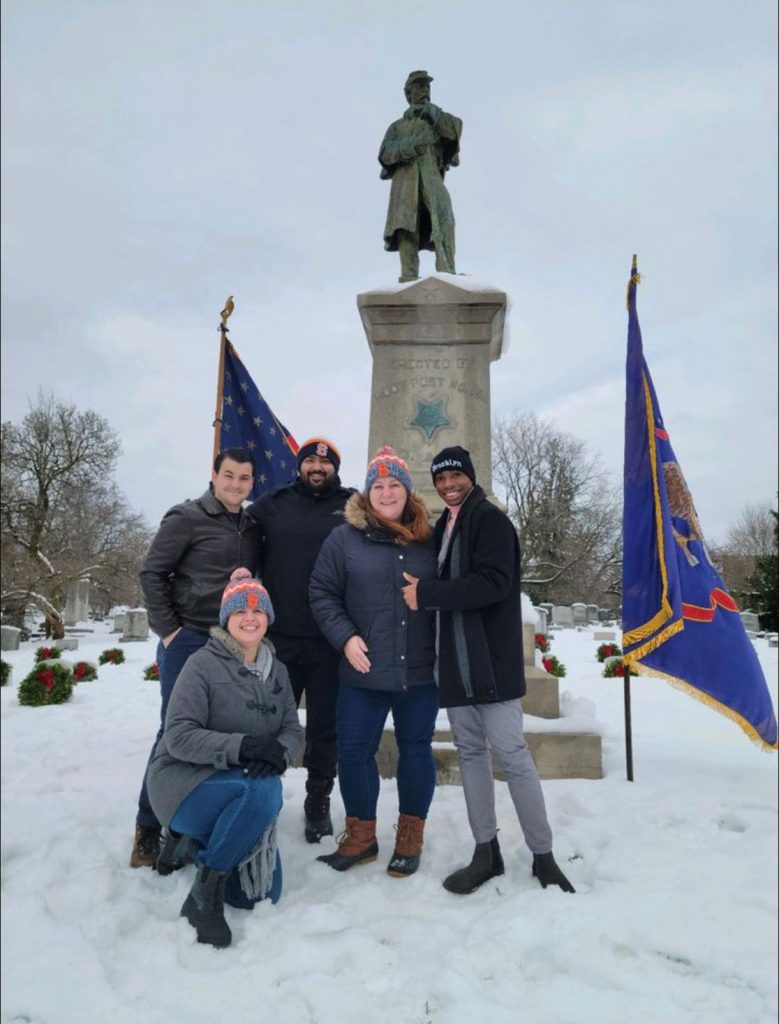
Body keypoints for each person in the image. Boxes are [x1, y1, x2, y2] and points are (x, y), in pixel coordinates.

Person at [401, 446, 575, 895]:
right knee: (471, 754)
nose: (448, 484)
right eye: (441, 479)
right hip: (456, 666)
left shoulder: (490, 520)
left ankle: (543, 855)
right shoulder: (446, 525)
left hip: (491, 664)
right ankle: (486, 852)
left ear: (470, 477)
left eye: (455, 476)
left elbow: (494, 584)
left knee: (513, 757)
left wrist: (430, 594)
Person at [147, 568, 304, 948]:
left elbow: (293, 733)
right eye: (239, 612)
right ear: (226, 620)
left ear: (267, 618)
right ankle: (204, 893)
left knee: (256, 896)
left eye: (258, 611)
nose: (250, 618)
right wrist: (246, 747)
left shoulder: (278, 672)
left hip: (243, 786)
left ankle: (194, 845)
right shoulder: (202, 665)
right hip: (184, 784)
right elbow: (179, 736)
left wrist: (278, 754)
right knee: (265, 791)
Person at [309, 446, 437, 876]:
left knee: (416, 750)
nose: (386, 492)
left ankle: (409, 837)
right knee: (354, 751)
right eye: (378, 485)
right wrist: (345, 638)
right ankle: (361, 837)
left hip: (419, 670)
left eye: (394, 484)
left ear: (407, 490)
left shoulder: (430, 538)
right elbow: (322, 592)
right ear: (367, 493)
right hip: (363, 670)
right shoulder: (343, 538)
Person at [132, 448, 262, 868]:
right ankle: (148, 827)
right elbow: (152, 573)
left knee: (215, 732)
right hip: (189, 639)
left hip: (232, 643)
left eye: (244, 478)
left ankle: (190, 824)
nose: (236, 485)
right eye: (229, 476)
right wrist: (170, 630)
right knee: (175, 733)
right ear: (214, 475)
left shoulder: (252, 525)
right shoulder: (186, 517)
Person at [247, 437, 354, 843]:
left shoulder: (352, 506)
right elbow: (242, 537)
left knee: (325, 727)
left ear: (335, 470)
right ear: (299, 465)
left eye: (325, 464)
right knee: (270, 722)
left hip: (331, 640)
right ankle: (262, 800)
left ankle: (317, 801)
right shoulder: (273, 503)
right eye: (310, 460)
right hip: (281, 640)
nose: (317, 468)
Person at [379, 70, 462, 283]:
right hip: (405, 182)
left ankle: (447, 272)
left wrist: (433, 113)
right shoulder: (397, 127)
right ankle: (408, 277)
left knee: (444, 218)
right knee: (406, 227)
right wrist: (415, 143)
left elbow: (453, 132)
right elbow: (386, 154)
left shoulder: (439, 119)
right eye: (419, 86)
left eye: (427, 86)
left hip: (431, 176)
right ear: (408, 94)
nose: (424, 90)